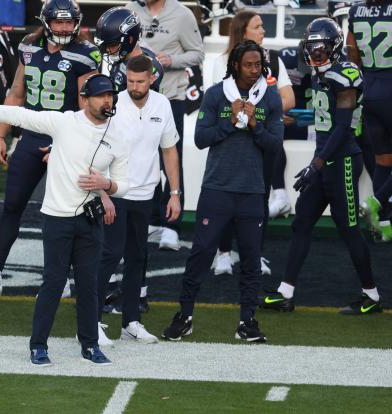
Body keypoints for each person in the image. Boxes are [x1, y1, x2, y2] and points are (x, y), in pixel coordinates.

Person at [0, 74, 129, 366]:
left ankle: (90, 345)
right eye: (100, 95)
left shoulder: (118, 136)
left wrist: (106, 184)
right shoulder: (64, 122)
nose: (107, 100)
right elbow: (21, 115)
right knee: (53, 282)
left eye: (110, 94)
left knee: (88, 285)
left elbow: (125, 183)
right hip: (58, 219)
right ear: (85, 99)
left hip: (90, 220)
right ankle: (38, 346)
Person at [0, 0, 99, 296]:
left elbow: (85, 108)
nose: (65, 28)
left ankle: (60, 276)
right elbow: (16, 93)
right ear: (46, 22)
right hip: (31, 136)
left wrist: (67, 146)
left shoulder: (86, 53)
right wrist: (0, 135)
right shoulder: (29, 46)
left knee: (63, 213)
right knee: (12, 205)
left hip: (65, 140)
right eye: (59, 22)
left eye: (70, 22)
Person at [163, 40, 283, 343]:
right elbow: (202, 138)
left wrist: (255, 124)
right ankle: (185, 316)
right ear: (235, 66)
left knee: (252, 259)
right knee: (201, 254)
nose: (254, 70)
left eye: (258, 65)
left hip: (253, 190)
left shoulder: (270, 98)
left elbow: (274, 145)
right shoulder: (217, 94)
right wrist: (230, 122)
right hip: (217, 188)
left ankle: (247, 322)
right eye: (249, 65)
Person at [261, 18, 383, 315]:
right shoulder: (319, 73)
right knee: (301, 222)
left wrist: (316, 164)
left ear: (335, 47)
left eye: (321, 49)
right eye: (311, 49)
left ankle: (372, 296)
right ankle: (285, 293)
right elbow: (325, 119)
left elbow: (342, 129)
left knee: (349, 230)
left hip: (341, 162)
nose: (315, 55)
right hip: (323, 160)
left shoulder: (346, 75)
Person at [96, 55, 181, 346]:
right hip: (117, 192)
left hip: (147, 194)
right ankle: (92, 320)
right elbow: (98, 149)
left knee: (137, 257)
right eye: (130, 81)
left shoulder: (163, 104)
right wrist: (104, 193)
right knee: (109, 254)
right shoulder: (113, 104)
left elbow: (169, 150)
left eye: (140, 81)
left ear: (151, 79)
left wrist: (175, 194)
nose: (134, 86)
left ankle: (131, 321)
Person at [210, 10, 295, 276]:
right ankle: (222, 254)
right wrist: (266, 111)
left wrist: (257, 114)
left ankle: (255, 255)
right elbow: (218, 104)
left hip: (261, 141)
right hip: (230, 142)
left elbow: (289, 99)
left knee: (259, 199)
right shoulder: (222, 61)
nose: (263, 31)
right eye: (257, 26)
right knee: (225, 200)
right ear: (242, 31)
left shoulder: (273, 59)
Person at [94, 6, 164, 313]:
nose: (108, 49)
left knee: (132, 240)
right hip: (110, 154)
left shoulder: (146, 65)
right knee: (110, 236)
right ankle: (105, 290)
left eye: (113, 42)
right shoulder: (113, 60)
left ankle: (138, 294)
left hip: (135, 163)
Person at [126, 0, 204, 253]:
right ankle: (152, 218)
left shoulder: (181, 14)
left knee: (172, 159)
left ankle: (173, 225)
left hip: (170, 98)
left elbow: (197, 53)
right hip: (135, 98)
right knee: (138, 158)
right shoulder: (130, 9)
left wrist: (170, 60)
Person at [347, 0, 392, 241]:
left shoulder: (355, 10)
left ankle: (383, 226)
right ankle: (376, 201)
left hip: (369, 88)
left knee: (384, 161)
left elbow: (352, 53)